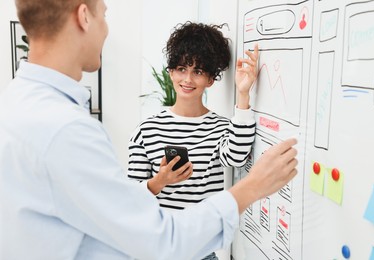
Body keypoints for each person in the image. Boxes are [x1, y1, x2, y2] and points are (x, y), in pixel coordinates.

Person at [0, 0, 298, 259]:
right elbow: (159, 241)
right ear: (84, 17)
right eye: (104, 15)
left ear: (211, 78)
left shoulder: (20, 105)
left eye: (199, 71)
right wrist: (254, 185)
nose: (106, 30)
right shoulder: (65, 130)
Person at [127, 22, 257, 260]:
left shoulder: (219, 127)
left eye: (198, 71)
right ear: (171, 72)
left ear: (210, 79)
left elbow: (237, 155)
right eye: (181, 68)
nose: (187, 79)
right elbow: (130, 199)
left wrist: (243, 93)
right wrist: (159, 181)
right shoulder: (147, 129)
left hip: (202, 252)